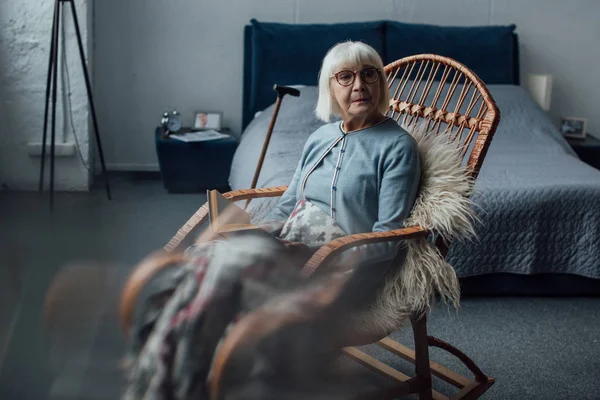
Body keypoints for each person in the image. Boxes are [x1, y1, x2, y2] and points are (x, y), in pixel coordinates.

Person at [123, 41, 421, 400]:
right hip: (293, 252)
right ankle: (175, 369)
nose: (359, 85)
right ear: (331, 87)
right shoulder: (320, 138)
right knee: (210, 260)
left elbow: (388, 239)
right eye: (346, 76)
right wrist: (262, 234)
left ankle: (172, 373)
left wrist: (320, 256)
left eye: (369, 74)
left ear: (380, 83)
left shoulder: (396, 146)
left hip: (346, 272)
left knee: (225, 272)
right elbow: (289, 204)